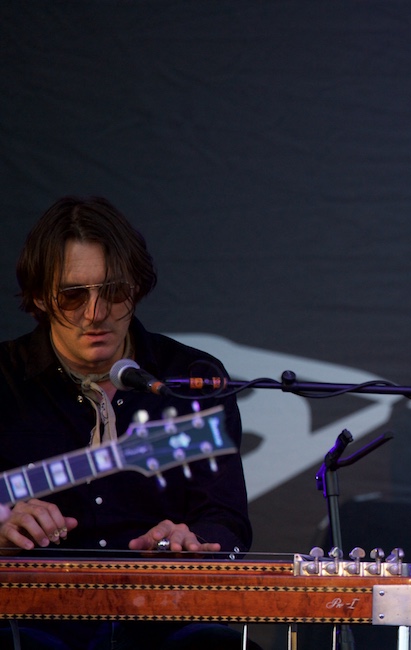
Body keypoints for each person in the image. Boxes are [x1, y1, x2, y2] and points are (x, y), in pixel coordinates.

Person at [0, 196, 254, 650]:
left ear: (136, 289)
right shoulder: (3, 379)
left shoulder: (189, 377)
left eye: (114, 292)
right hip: (32, 618)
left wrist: (194, 539)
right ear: (39, 297)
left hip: (165, 618)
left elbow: (227, 519)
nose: (95, 313)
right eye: (72, 295)